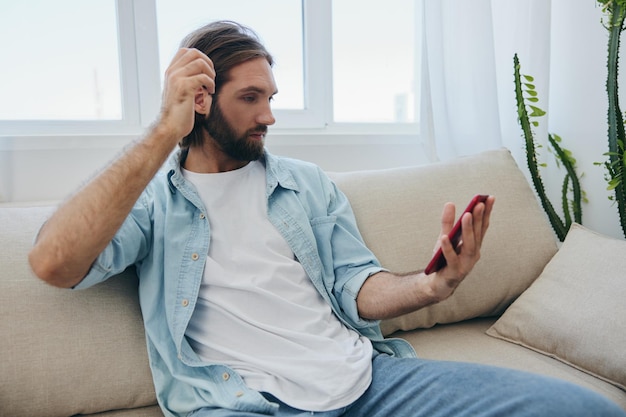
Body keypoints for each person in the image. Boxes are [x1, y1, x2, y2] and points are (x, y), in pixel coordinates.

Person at [29, 21, 625, 417]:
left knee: (582, 408)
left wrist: (432, 284)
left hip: (368, 382)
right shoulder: (156, 201)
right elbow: (52, 262)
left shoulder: (303, 184)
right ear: (201, 102)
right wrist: (163, 131)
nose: (268, 115)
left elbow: (354, 286)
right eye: (251, 98)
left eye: (272, 97)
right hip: (247, 403)